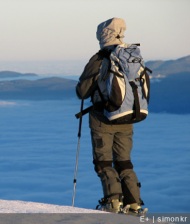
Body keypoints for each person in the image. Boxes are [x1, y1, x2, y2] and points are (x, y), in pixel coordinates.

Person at [76, 18, 145, 214]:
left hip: (102, 119)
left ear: (102, 34)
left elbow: (83, 92)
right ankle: (134, 203)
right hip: (127, 116)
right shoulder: (131, 55)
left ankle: (113, 202)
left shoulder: (99, 58)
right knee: (124, 161)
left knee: (103, 161)